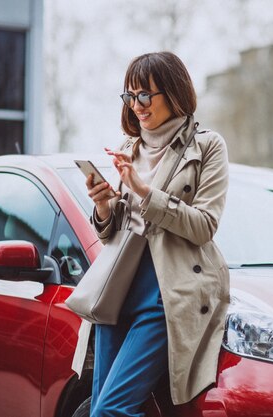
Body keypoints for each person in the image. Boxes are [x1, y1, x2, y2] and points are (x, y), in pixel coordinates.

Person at [85, 51, 230, 416]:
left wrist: (145, 191)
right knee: (98, 408)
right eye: (129, 97)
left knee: (111, 411)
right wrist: (103, 205)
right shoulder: (127, 149)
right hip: (117, 290)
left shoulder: (208, 146)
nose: (137, 105)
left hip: (166, 293)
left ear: (174, 92)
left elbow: (203, 226)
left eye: (145, 96)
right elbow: (113, 236)